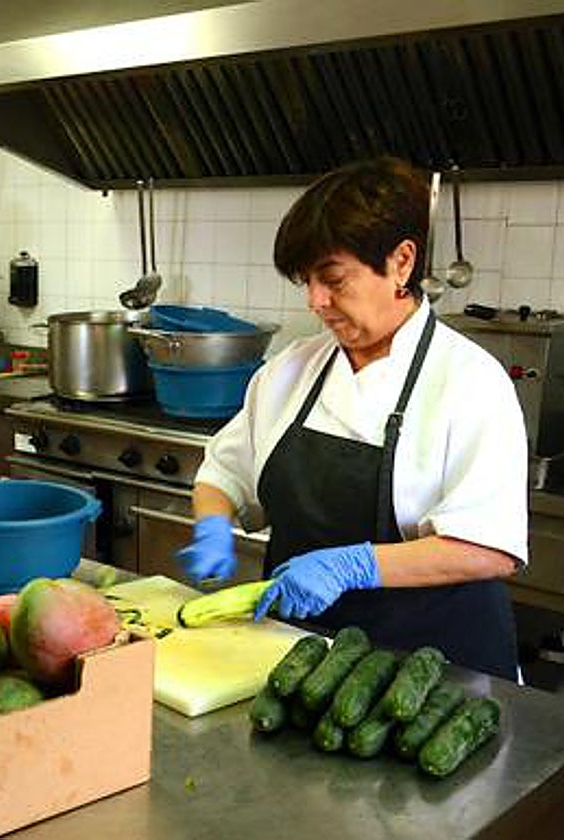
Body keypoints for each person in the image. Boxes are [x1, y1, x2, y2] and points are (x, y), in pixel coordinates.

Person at [176, 157, 527, 679]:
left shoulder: (471, 381)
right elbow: (223, 473)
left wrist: (354, 566)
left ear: (401, 262)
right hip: (302, 659)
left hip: (435, 677)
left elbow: (489, 548)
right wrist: (213, 525)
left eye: (334, 279)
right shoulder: (290, 370)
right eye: (307, 281)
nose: (316, 301)